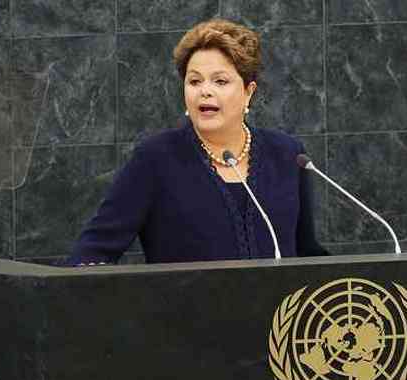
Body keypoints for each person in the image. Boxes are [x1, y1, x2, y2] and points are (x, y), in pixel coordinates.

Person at [68, 18, 328, 265]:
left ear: (248, 92)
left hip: (279, 312)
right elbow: (93, 251)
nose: (205, 90)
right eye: (194, 81)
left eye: (220, 81)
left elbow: (306, 252)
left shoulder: (287, 155)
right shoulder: (155, 159)